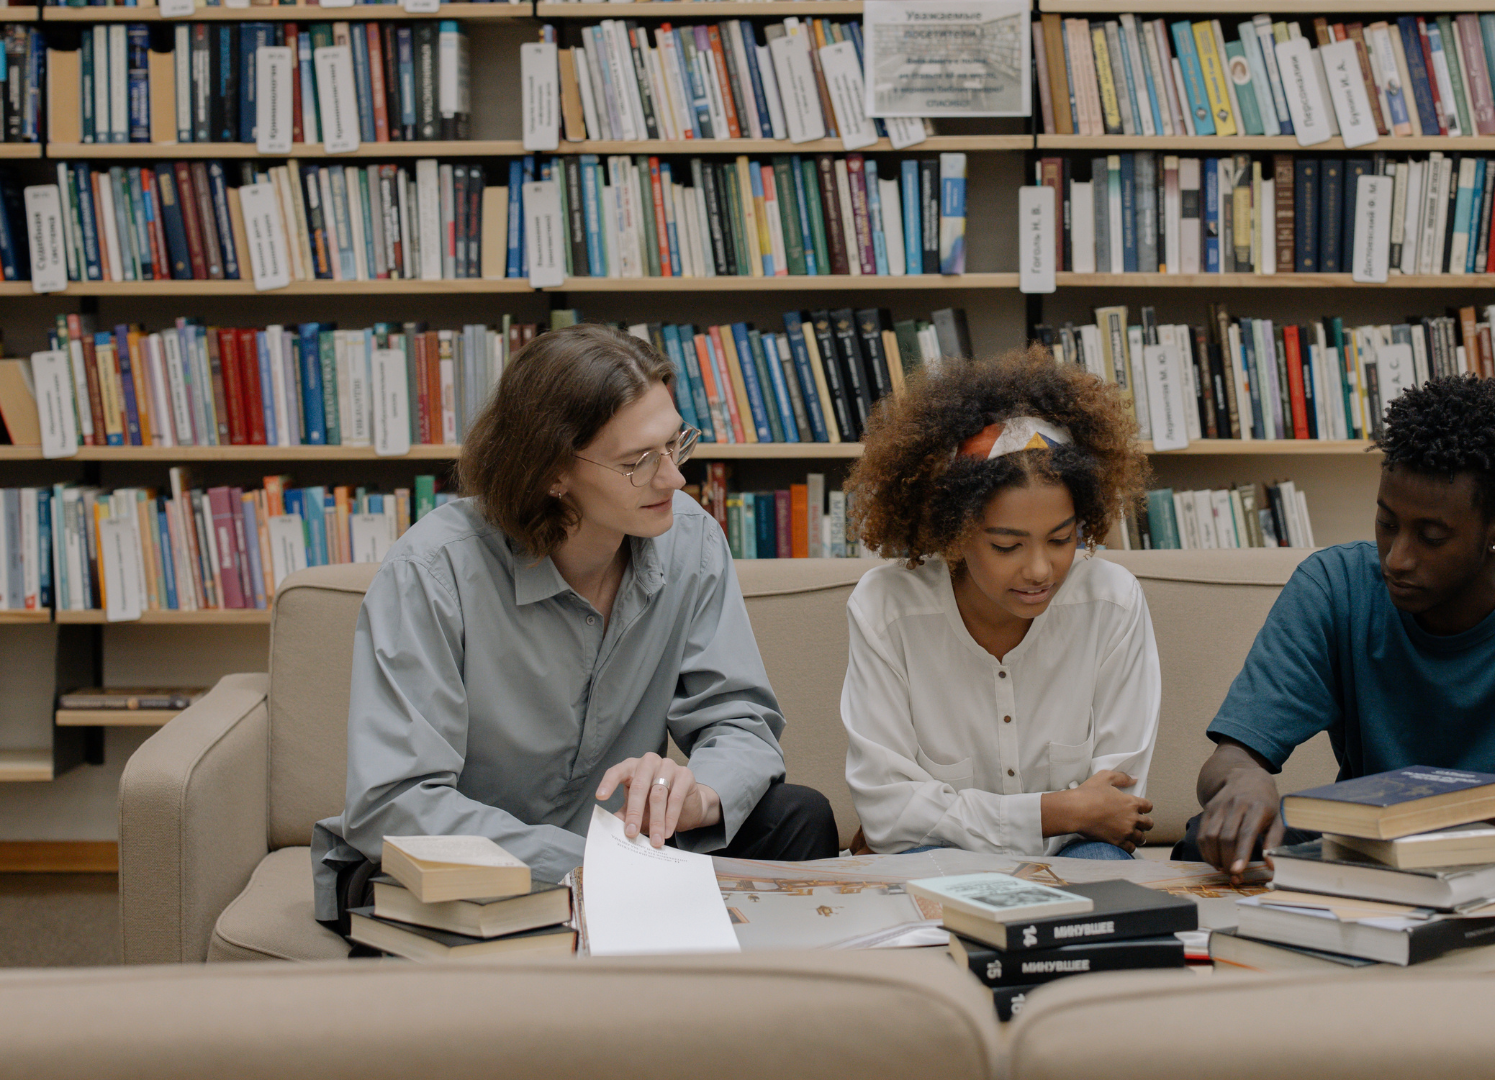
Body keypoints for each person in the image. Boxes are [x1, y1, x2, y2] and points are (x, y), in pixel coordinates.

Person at [312, 324, 838, 930]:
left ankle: (740, 1006)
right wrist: (602, 868)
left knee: (798, 816)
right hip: (474, 866)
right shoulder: (432, 572)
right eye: (639, 462)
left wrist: (699, 794)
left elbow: (740, 720)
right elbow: (395, 804)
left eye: (675, 445)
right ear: (551, 472)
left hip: (622, 850)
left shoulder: (689, 539)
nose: (674, 479)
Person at [1176, 375, 1495, 964]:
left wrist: (1434, 802)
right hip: (1377, 845)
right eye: (1386, 523)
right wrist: (1244, 777)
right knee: (1209, 836)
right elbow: (1228, 760)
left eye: (1431, 536)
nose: (1397, 558)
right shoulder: (1334, 586)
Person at [838, 347, 1159, 860]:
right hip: (938, 858)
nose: (1039, 570)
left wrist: (1069, 816)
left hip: (1078, 851)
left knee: (1103, 869)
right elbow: (889, 814)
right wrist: (1057, 811)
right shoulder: (886, 609)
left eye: (1061, 539)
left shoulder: (1112, 602)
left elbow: (1114, 809)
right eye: (1007, 546)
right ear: (954, 533)